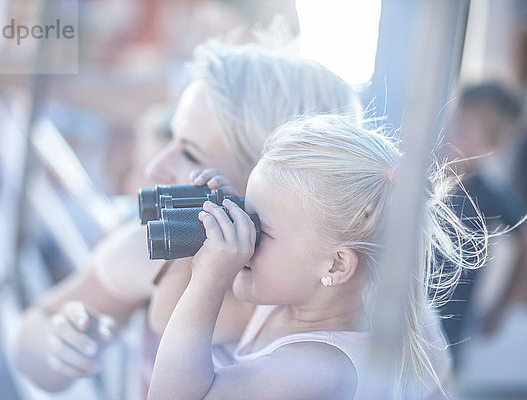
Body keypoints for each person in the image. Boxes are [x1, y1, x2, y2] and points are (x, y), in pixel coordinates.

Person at [15, 39, 361, 392]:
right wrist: (58, 345)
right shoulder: (154, 253)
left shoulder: (327, 322)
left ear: (271, 179)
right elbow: (32, 336)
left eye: (191, 157)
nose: (156, 167)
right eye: (171, 138)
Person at [148, 114, 486, 400]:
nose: (243, 238)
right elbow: (165, 320)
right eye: (240, 211)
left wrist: (209, 279)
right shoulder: (290, 299)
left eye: (257, 229)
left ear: (336, 265)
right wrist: (205, 221)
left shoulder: (318, 368)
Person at [441, 83, 527, 363]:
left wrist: (500, 308)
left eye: (465, 131)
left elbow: (523, 239)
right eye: (454, 125)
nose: (452, 137)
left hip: (450, 328)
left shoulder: (488, 193)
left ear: (493, 145)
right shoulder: (433, 177)